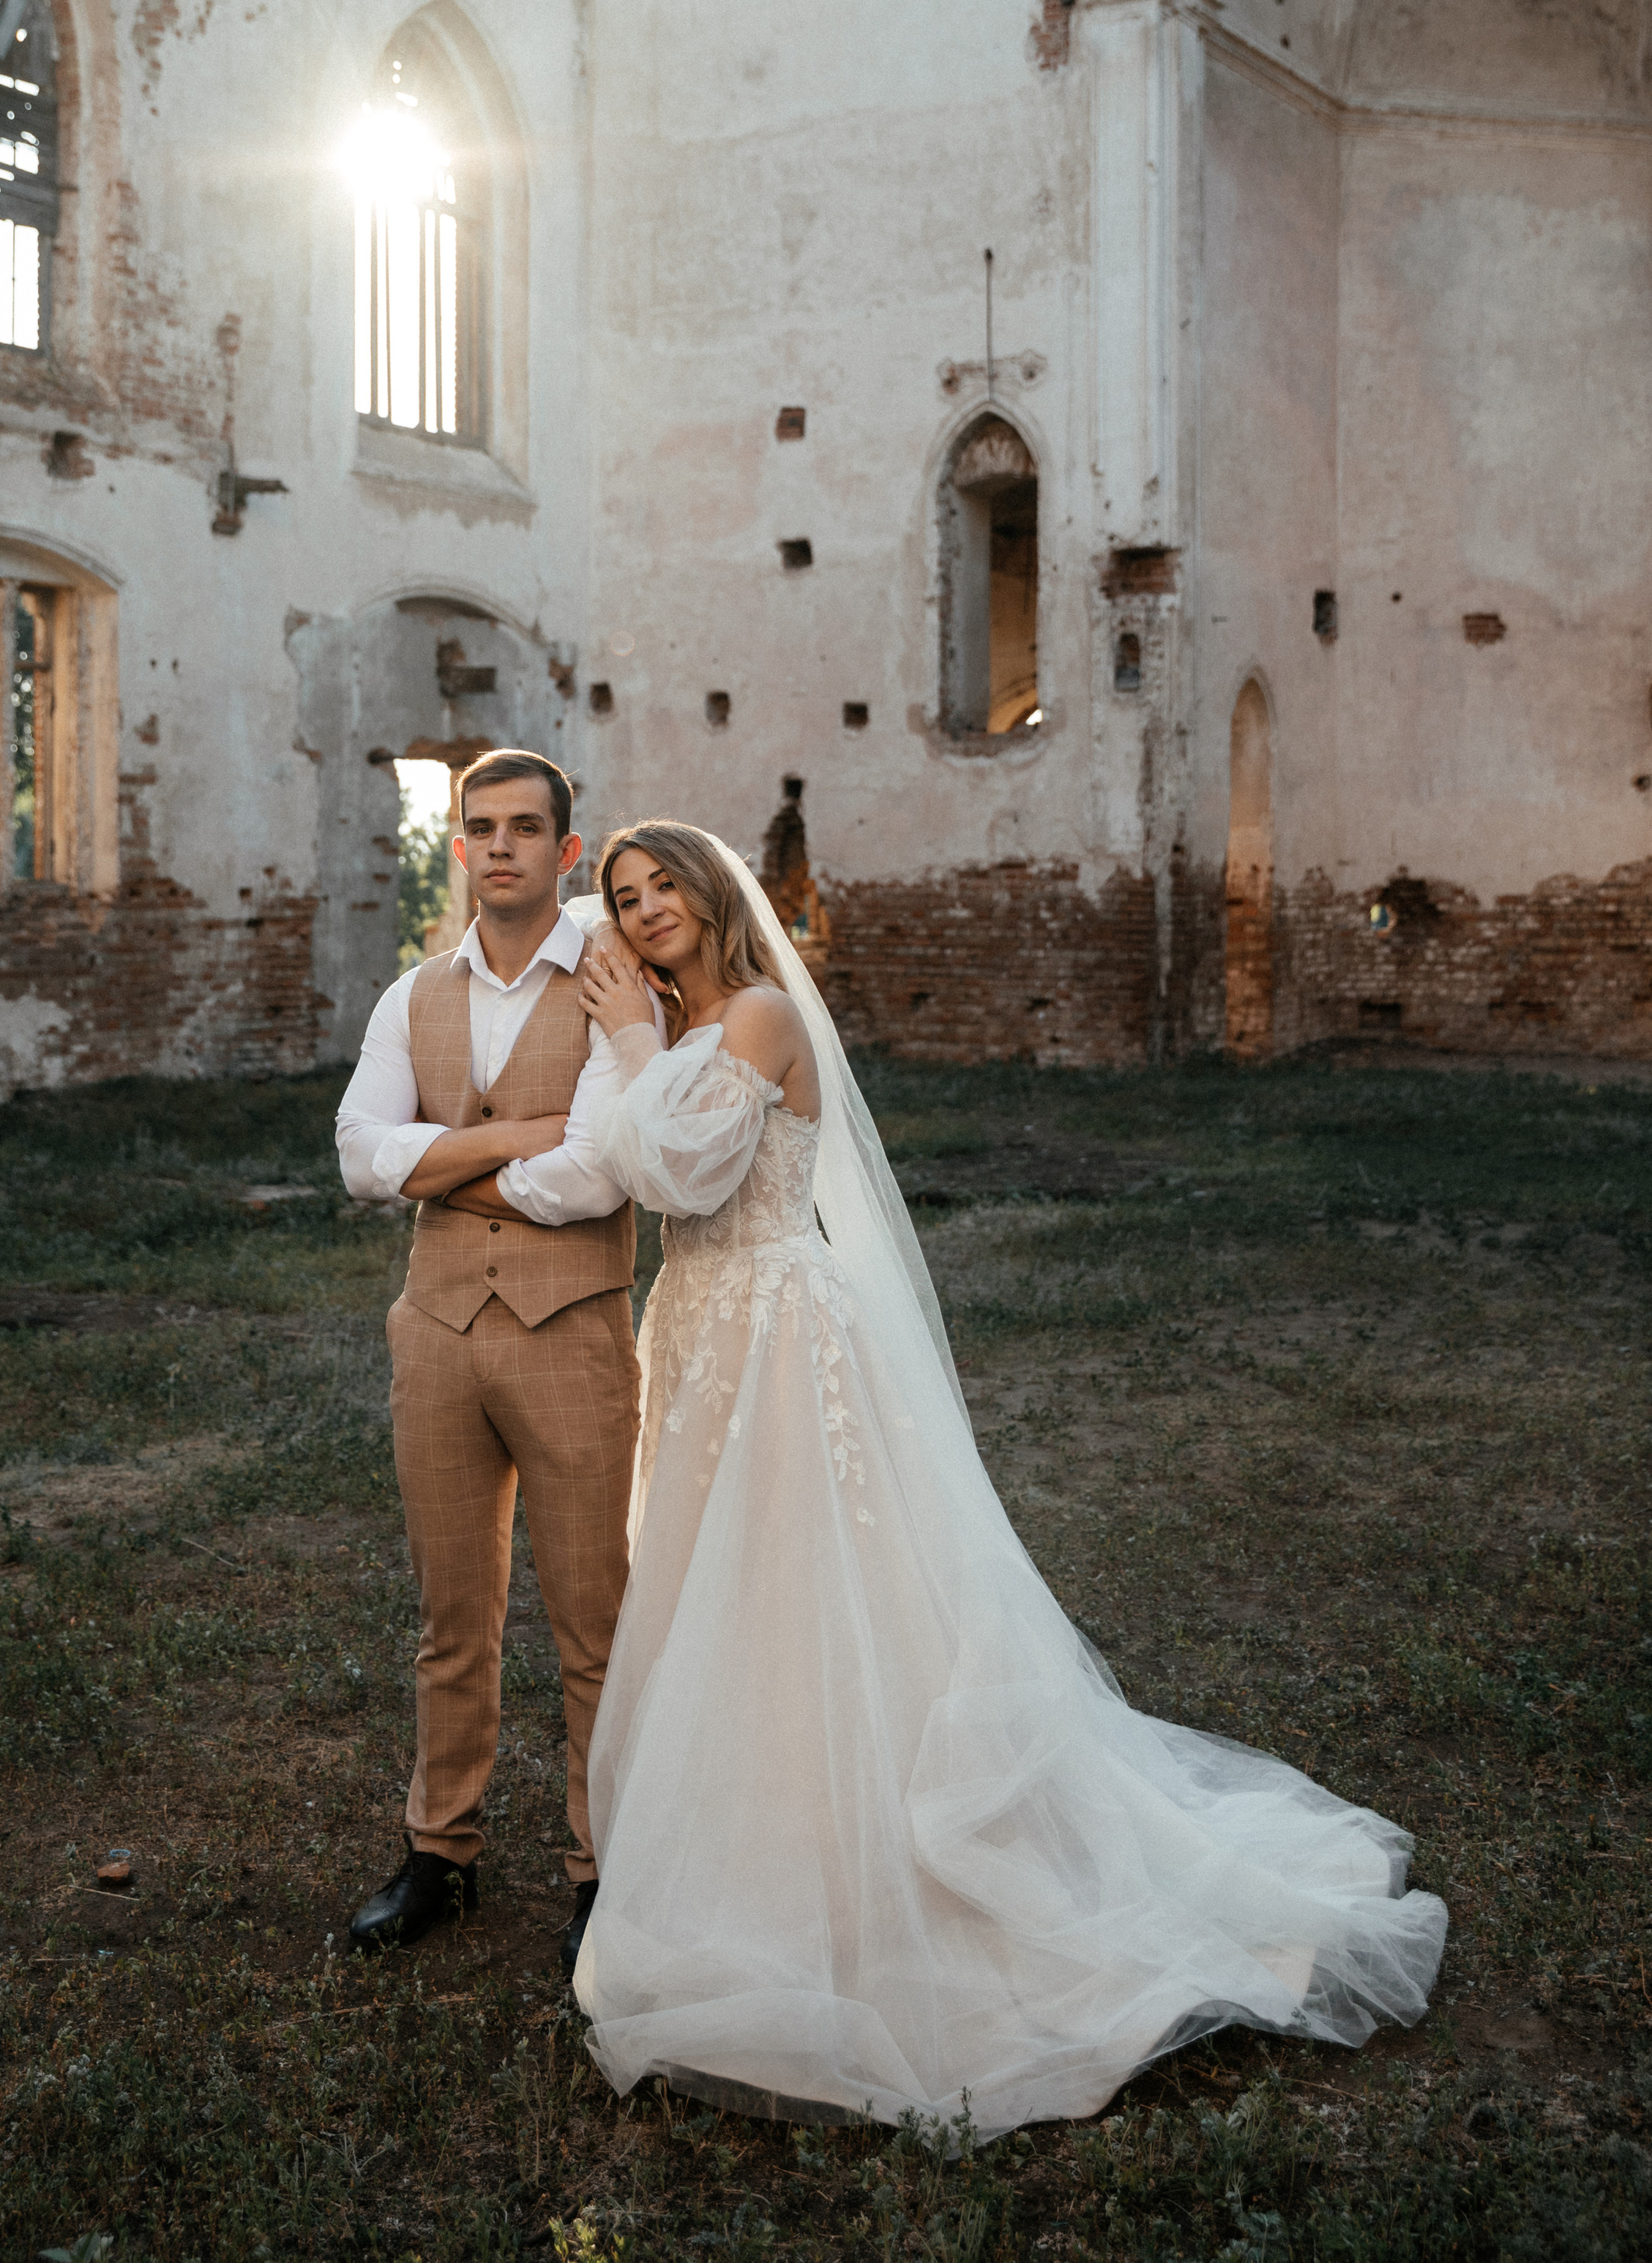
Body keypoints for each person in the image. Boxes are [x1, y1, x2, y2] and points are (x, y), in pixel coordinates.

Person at [567, 821, 1448, 2139]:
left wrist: (632, 1045)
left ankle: (880, 1876)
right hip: (697, 1329)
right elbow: (617, 1165)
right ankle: (758, 1858)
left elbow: (684, 1172)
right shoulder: (676, 1025)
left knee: (815, 1586)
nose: (645, 912)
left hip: (779, 1330)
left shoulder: (754, 1015)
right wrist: (632, 1047)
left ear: (708, 896)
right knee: (724, 1600)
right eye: (625, 897)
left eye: (662, 889)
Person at [334, 749, 658, 1973]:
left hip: (571, 1331)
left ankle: (601, 1870)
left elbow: (598, 1176)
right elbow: (358, 1155)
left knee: (594, 1620)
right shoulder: (412, 994)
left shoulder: (616, 982)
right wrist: (520, 1133)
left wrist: (441, 1160)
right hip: (435, 1334)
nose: (502, 846)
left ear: (567, 851)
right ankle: (441, 1852)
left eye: (528, 828)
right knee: (450, 1617)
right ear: (459, 845)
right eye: (482, 827)